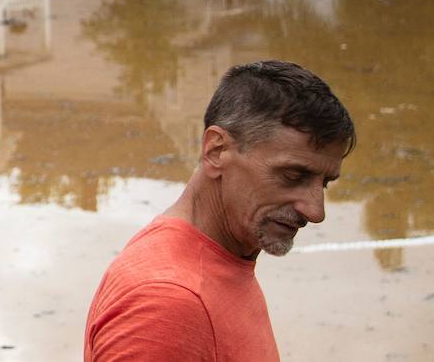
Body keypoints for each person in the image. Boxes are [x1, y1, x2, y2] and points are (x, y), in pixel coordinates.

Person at [84, 60, 355, 361]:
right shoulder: (169, 304)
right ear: (216, 150)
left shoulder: (223, 257)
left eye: (325, 184)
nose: (316, 211)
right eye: (293, 175)